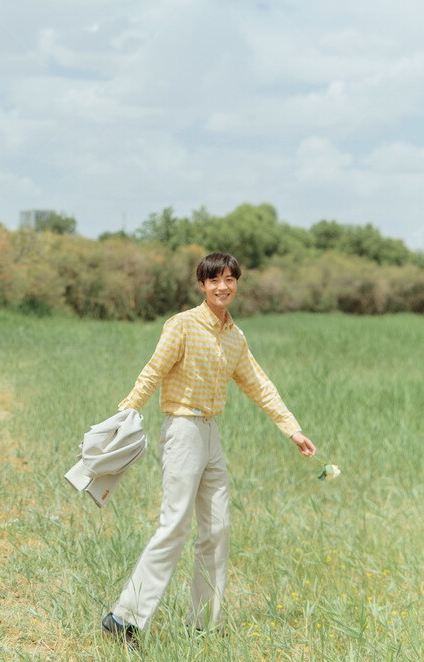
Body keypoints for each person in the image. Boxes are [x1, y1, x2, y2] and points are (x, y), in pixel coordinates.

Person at [101, 252, 316, 647]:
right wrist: (125, 412)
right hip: (182, 429)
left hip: (211, 433)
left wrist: (292, 429)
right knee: (176, 525)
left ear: (237, 283)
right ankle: (124, 618)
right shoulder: (182, 325)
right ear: (202, 285)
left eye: (230, 279)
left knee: (217, 529)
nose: (223, 287)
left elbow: (258, 384)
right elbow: (153, 371)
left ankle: (202, 625)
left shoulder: (235, 336)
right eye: (214, 280)